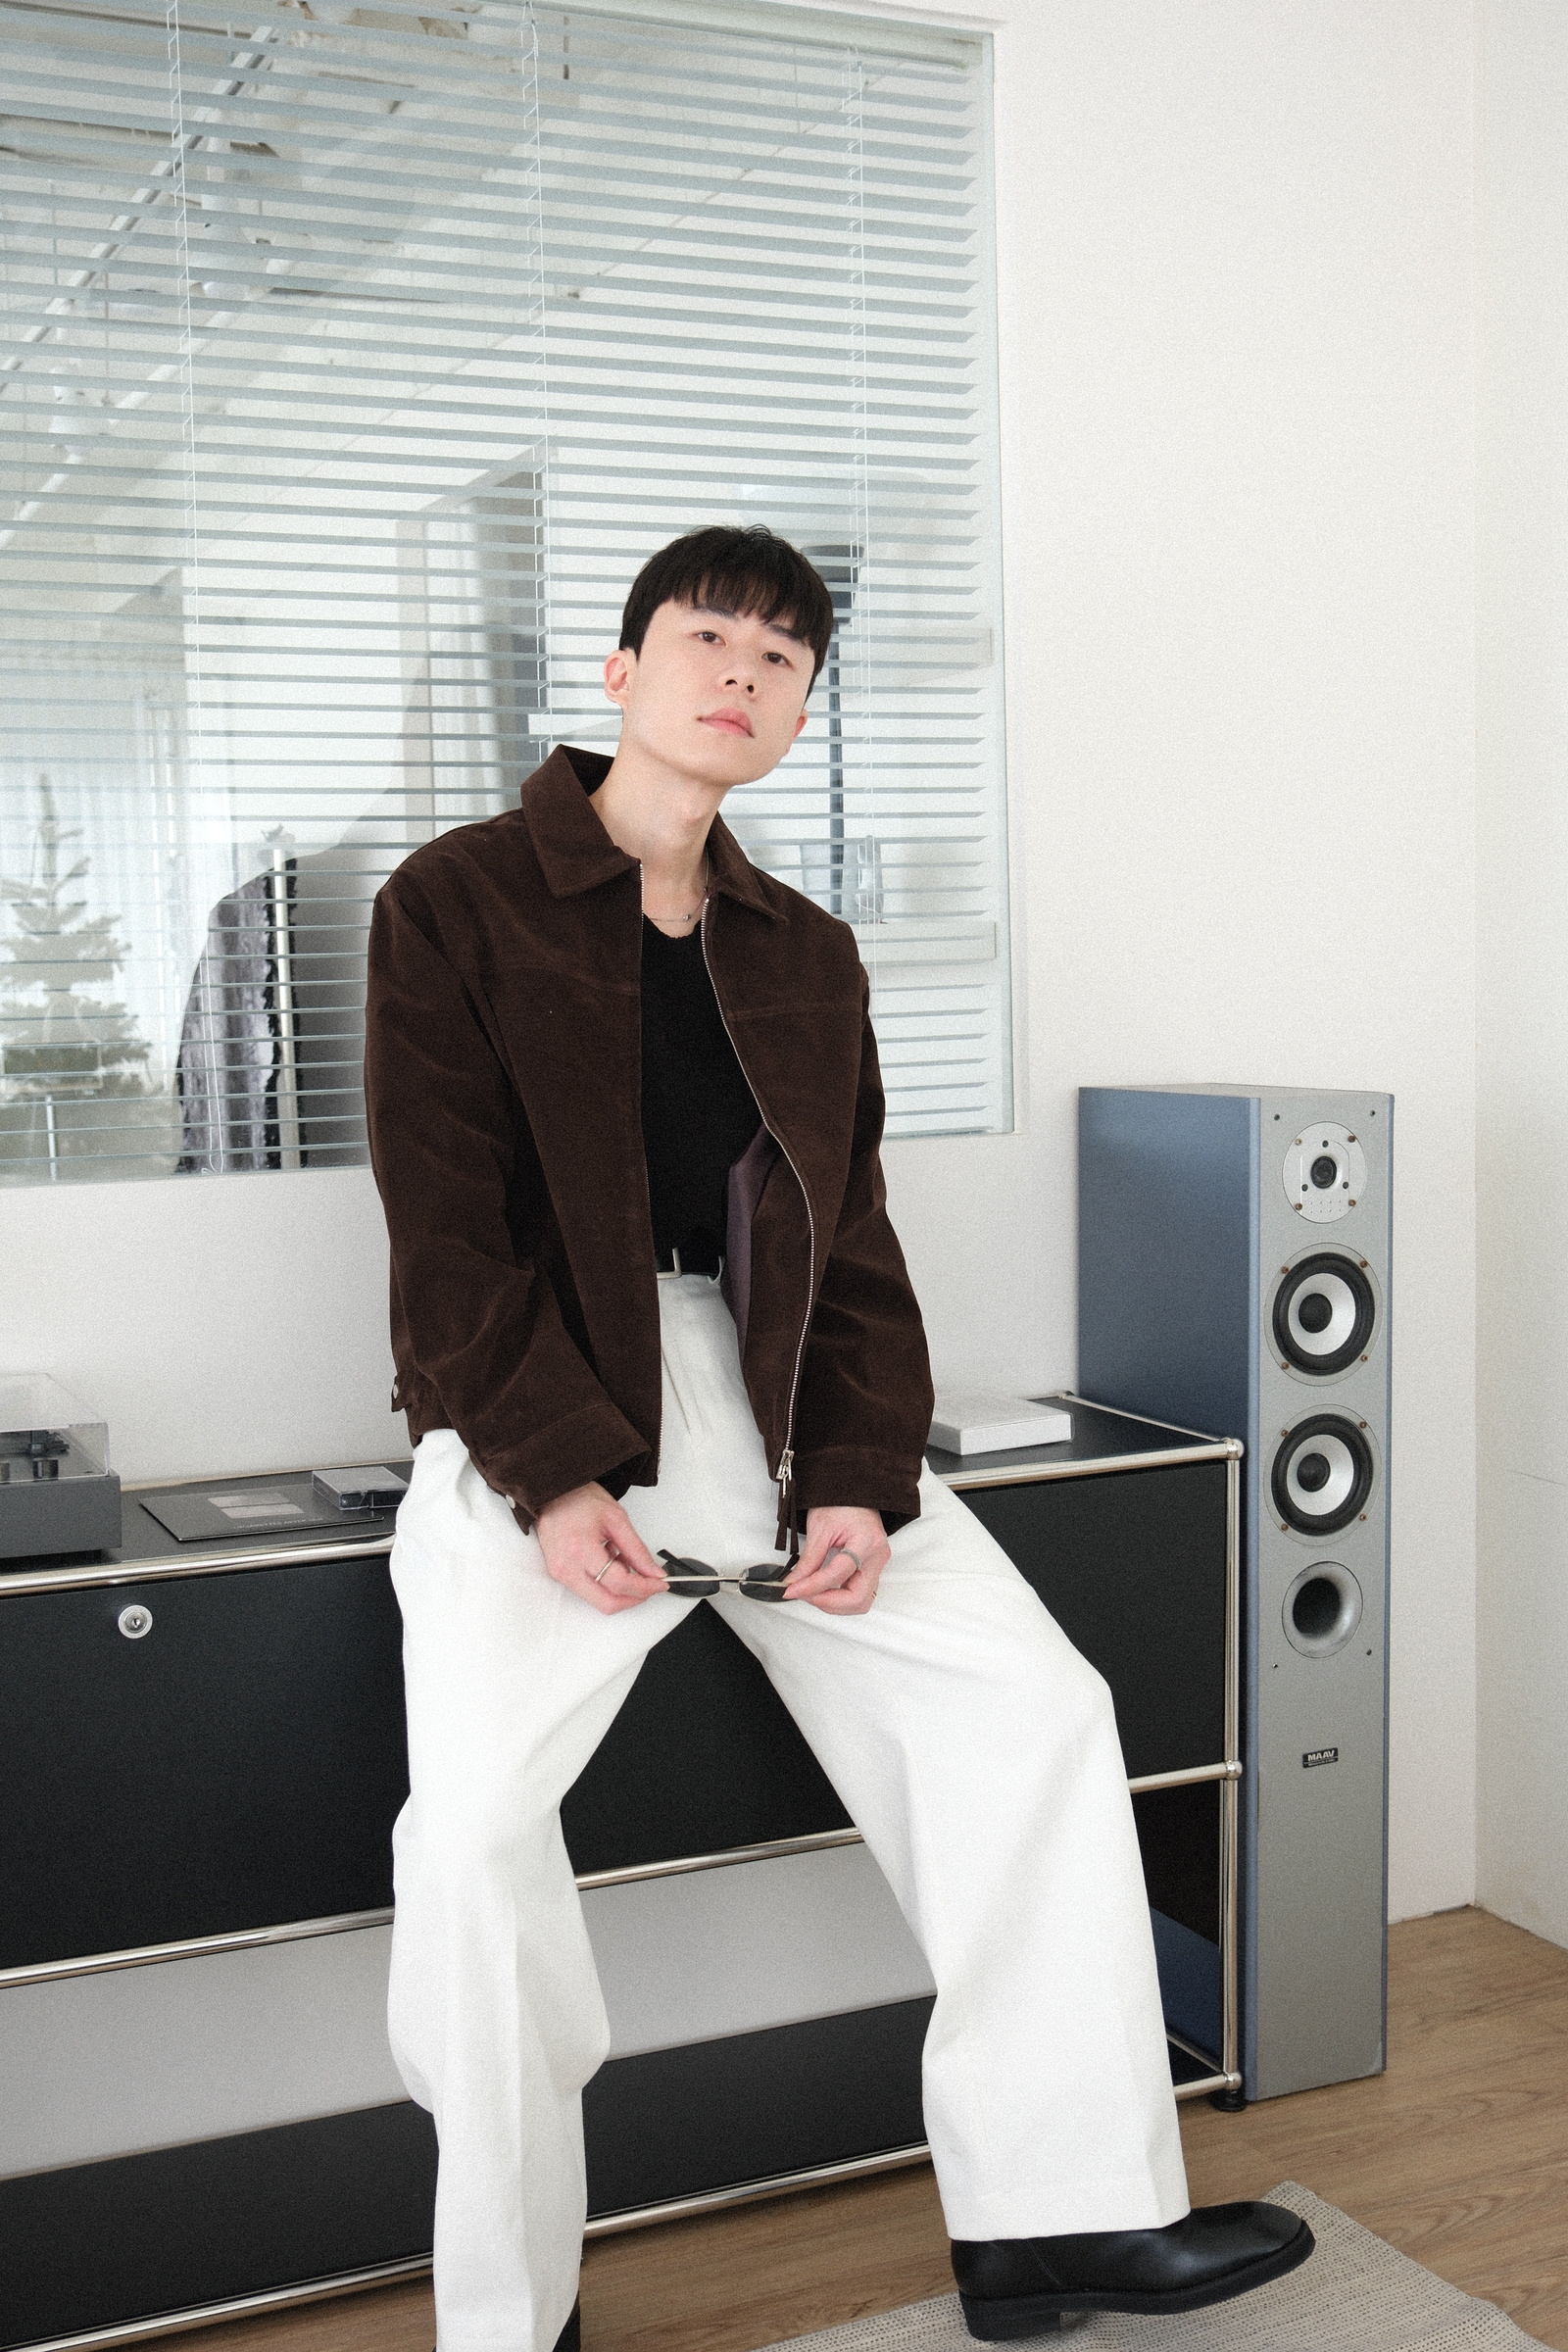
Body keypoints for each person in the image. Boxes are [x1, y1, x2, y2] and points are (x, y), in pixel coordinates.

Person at [363, 526, 1313, 2351]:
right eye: (708, 636)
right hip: (543, 1405)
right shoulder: (456, 900)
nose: (743, 673)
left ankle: (1058, 2223)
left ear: (802, 711)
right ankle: (510, 2310)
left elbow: (851, 1241)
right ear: (624, 670)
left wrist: (867, 1479)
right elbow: (445, 1231)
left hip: (780, 1393)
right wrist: (553, 1474)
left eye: (783, 658)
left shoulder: (805, 950)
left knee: (1036, 1714)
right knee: (471, 1840)